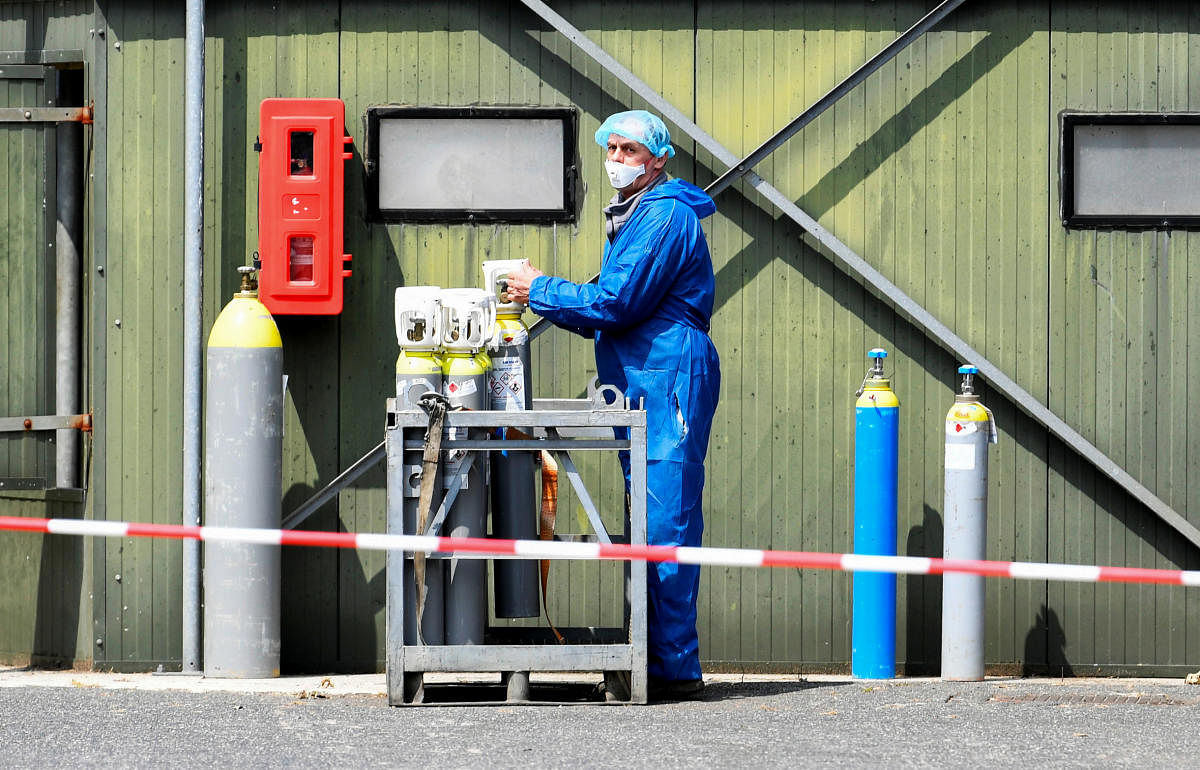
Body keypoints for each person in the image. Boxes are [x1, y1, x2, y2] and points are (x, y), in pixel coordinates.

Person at [505, 110, 721, 701]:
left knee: (666, 519)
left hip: (669, 374)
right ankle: (652, 658)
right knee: (650, 517)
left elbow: (614, 301)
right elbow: (609, 307)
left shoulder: (663, 216)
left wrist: (539, 289)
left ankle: (674, 671)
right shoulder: (640, 217)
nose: (617, 159)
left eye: (629, 150)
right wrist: (549, 296)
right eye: (613, 148)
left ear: (659, 159)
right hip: (648, 374)